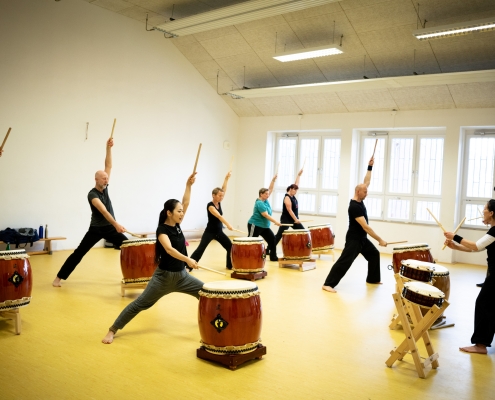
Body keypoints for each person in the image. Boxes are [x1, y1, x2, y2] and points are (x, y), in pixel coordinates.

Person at [102, 173, 203, 344]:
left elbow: (186, 202)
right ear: (169, 213)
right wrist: (187, 259)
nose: (182, 213)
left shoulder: (177, 225)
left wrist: (188, 185)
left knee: (207, 293)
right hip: (163, 279)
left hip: (181, 277)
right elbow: (169, 249)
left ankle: (210, 325)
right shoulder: (162, 230)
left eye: (182, 211)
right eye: (179, 211)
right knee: (140, 303)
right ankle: (112, 330)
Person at [52, 138, 127, 287]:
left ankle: (135, 275)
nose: (106, 180)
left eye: (107, 178)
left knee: (130, 247)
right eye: (103, 178)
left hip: (110, 228)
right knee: (79, 253)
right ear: (96, 179)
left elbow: (108, 165)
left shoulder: (105, 187)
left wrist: (108, 148)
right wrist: (116, 224)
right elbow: (104, 212)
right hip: (97, 229)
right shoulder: (92, 195)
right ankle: (58, 279)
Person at [322, 157, 387, 293]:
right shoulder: (354, 207)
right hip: (354, 239)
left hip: (362, 238)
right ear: (358, 192)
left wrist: (370, 167)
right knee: (345, 261)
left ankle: (372, 278)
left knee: (374, 254)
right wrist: (380, 239)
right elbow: (366, 227)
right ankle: (328, 284)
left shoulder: (360, 197)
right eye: (365, 192)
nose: (367, 193)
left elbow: (366, 181)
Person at [444, 199, 495, 354]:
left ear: (492, 213)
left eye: (485, 209)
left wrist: (455, 237)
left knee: (483, 304)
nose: (483, 212)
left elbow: (476, 245)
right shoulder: (492, 231)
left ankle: (480, 345)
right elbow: (476, 249)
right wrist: (455, 246)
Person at [191, 171, 234, 270]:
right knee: (201, 249)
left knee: (230, 246)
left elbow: (223, 189)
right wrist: (228, 224)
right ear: (213, 195)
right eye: (219, 195)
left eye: (222, 196)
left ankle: (229, 265)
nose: (221, 197)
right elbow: (219, 216)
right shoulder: (210, 206)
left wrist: (226, 178)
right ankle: (189, 265)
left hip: (219, 232)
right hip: (209, 232)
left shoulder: (219, 202)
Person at [247, 174, 281, 262]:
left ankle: (273, 257)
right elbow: (265, 215)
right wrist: (276, 221)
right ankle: (247, 256)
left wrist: (273, 180)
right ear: (261, 194)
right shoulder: (259, 203)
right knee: (251, 241)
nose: (268, 195)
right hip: (255, 225)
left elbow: (270, 189)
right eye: (266, 194)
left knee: (272, 239)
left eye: (268, 194)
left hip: (264, 227)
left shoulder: (265, 200)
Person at [274, 168, 305, 249]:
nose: (296, 192)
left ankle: (304, 249)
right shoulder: (287, 198)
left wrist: (299, 175)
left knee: (303, 231)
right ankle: (269, 249)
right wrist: (296, 220)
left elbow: (296, 184)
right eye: (295, 190)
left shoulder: (292, 195)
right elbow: (289, 210)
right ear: (291, 189)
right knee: (279, 236)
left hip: (294, 219)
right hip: (287, 220)